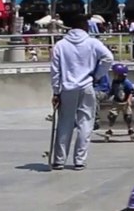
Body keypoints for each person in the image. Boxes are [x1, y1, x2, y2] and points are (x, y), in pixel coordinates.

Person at [49, 13, 115, 170]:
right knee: (85, 122)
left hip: (67, 88)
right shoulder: (92, 43)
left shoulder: (60, 45)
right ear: (84, 26)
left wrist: (56, 91)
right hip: (86, 86)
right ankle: (79, 160)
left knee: (65, 123)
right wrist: (97, 75)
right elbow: (108, 58)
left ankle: (59, 159)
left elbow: (55, 71)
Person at [98, 63, 134, 137]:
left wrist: (129, 100)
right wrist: (107, 96)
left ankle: (130, 129)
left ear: (121, 75)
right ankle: (110, 129)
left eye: (115, 74)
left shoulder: (126, 82)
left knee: (128, 116)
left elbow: (131, 92)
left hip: (125, 103)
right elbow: (112, 91)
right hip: (116, 102)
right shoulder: (114, 82)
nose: (113, 75)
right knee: (112, 116)